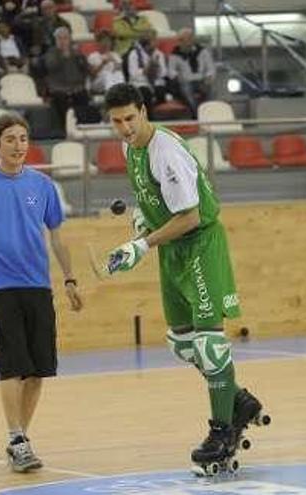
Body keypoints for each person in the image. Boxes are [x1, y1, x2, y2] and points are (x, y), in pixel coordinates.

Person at [100, 83, 266, 473]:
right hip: (172, 249)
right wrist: (142, 221)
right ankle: (239, 399)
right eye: (116, 121)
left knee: (210, 345)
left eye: (129, 118)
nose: (124, 127)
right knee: (183, 343)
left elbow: (190, 216)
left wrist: (141, 246)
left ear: (143, 111)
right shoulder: (131, 148)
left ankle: (222, 430)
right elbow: (153, 198)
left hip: (199, 245)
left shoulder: (166, 151)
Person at [0, 112, 83, 473]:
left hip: (38, 286)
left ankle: (20, 439)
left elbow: (57, 235)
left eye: (23, 139)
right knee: (13, 365)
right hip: (0, 287)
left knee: (38, 369)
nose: (18, 146)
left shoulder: (43, 186)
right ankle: (16, 438)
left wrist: (70, 279)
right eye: (10, 139)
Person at [168, 28, 215, 117]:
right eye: (180, 40)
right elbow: (171, 71)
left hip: (201, 80)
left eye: (184, 40)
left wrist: (208, 78)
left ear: (191, 40)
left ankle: (209, 115)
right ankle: (197, 115)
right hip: (185, 81)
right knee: (186, 90)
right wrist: (177, 77)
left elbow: (210, 68)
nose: (181, 42)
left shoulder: (202, 52)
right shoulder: (175, 54)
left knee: (211, 90)